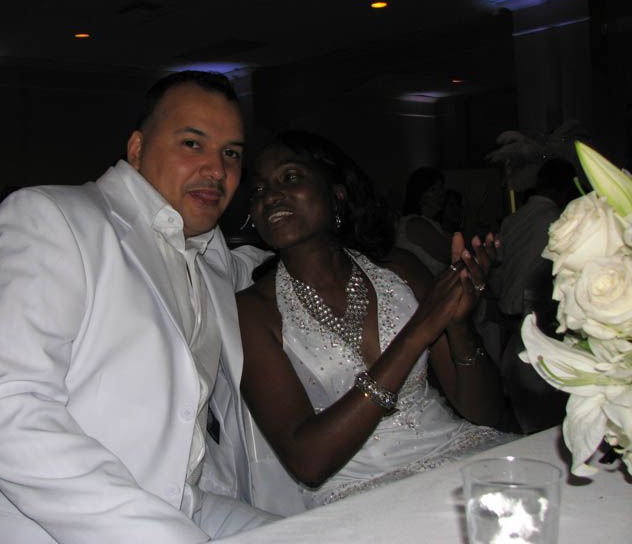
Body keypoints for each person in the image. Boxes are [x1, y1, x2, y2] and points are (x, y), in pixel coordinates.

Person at [0, 71, 276, 543]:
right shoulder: (52, 217)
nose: (216, 169)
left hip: (178, 503)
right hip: (34, 522)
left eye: (231, 153)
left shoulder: (211, 259)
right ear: (136, 148)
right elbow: (0, 406)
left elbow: (270, 266)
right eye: (193, 144)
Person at [236, 131, 513, 510]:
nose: (270, 196)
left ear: (337, 192)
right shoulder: (252, 311)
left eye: (290, 178)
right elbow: (308, 462)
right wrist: (419, 331)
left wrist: (458, 324)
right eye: (259, 189)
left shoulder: (399, 269)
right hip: (358, 487)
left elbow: (485, 413)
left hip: (456, 449)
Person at [491, 158, 577, 433]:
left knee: (526, 424)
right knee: (548, 428)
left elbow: (500, 266)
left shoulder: (512, 219)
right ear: (565, 189)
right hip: (540, 336)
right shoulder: (561, 222)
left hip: (510, 331)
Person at [394, 167, 450, 275]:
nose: (441, 194)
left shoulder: (431, 224)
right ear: (420, 194)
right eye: (433, 190)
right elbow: (452, 254)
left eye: (441, 188)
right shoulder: (416, 224)